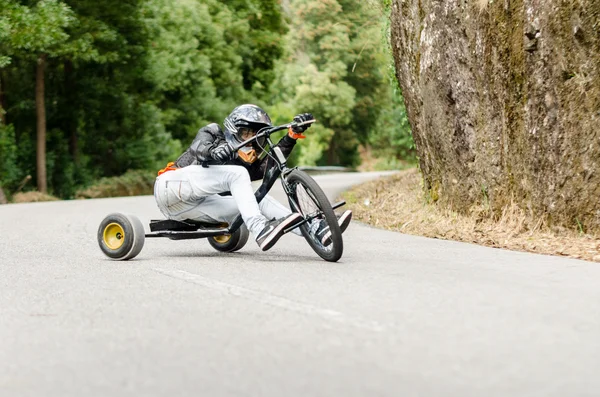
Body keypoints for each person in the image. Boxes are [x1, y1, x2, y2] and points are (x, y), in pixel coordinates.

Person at [153, 104, 352, 251]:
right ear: (233, 130)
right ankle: (259, 229)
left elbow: (270, 168)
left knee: (260, 200)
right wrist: (214, 150)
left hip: (193, 209)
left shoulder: (246, 165)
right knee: (238, 174)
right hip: (170, 188)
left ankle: (316, 228)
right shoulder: (214, 133)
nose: (252, 140)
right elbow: (199, 149)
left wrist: (291, 136)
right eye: (246, 133)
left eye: (258, 137)